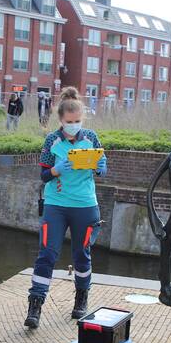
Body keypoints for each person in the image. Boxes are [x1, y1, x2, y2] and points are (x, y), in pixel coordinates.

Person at [24, 87, 108, 329]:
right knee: (47, 254)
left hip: (85, 205)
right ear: (61, 120)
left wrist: (100, 167)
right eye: (70, 122)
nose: (74, 125)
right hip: (56, 205)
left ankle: (81, 300)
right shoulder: (52, 140)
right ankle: (35, 305)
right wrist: (56, 169)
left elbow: (101, 169)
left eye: (78, 121)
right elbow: (43, 175)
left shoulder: (91, 138)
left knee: (82, 255)